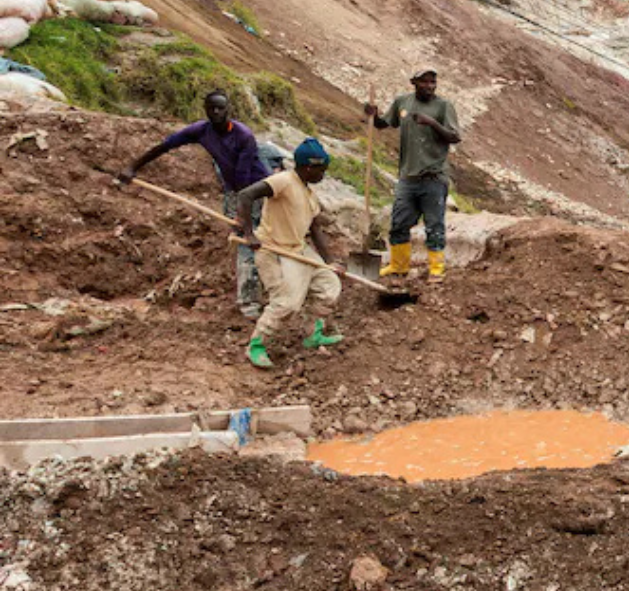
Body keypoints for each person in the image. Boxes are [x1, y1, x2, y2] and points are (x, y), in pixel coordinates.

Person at [122, 91, 278, 320]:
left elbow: (245, 179)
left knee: (253, 239)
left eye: (220, 108)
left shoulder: (243, 136)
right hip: (234, 190)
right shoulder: (201, 130)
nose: (216, 112)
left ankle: (262, 299)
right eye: (212, 108)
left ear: (228, 110)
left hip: (258, 188)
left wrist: (242, 218)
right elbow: (165, 146)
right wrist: (133, 167)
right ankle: (252, 298)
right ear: (205, 109)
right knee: (247, 242)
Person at [230, 140, 344, 369]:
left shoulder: (309, 194)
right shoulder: (283, 181)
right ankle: (257, 345)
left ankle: (314, 333)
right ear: (309, 167)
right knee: (287, 303)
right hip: (274, 250)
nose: (323, 175)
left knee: (329, 286)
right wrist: (249, 233)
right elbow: (245, 195)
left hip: (298, 249)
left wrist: (330, 262)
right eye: (322, 171)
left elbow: (314, 229)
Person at [368, 69, 463, 277]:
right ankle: (399, 265)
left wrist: (432, 123)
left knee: (434, 225)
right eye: (425, 82)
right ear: (414, 83)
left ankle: (437, 269)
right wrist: (373, 116)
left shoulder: (443, 106)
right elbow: (384, 123)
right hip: (407, 178)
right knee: (399, 223)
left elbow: (455, 137)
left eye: (433, 82)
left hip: (434, 178)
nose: (430, 86)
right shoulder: (402, 102)